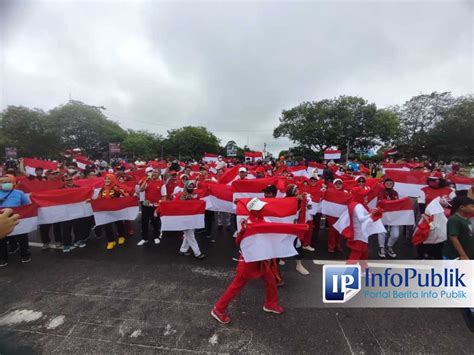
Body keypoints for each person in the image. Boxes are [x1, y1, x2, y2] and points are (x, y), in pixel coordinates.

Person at [211, 198, 283, 324]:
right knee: (237, 285)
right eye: (260, 208)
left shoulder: (265, 219)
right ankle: (218, 308)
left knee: (271, 281)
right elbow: (239, 242)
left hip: (262, 258)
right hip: (250, 260)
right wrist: (243, 231)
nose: (263, 209)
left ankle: (270, 304)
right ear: (254, 211)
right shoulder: (247, 223)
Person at [0, 175, 32, 266]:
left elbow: (27, 205)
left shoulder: (19, 193)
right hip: (2, 218)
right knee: (2, 240)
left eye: (8, 182)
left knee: (22, 237)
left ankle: (25, 254)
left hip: (17, 217)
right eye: (4, 182)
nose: (7, 184)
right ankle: (3, 258)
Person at [97, 174, 128, 250]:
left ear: (113, 180)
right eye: (105, 179)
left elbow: (126, 195)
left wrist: (121, 192)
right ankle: (111, 241)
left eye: (109, 179)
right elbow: (98, 198)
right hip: (106, 210)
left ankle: (121, 236)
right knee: (107, 226)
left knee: (119, 223)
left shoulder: (116, 187)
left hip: (116, 209)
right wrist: (92, 202)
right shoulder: (102, 189)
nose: (106, 180)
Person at [284, 184, 310, 275]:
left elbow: (306, 208)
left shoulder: (300, 200)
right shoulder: (285, 200)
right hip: (285, 227)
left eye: (297, 190)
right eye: (295, 191)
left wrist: (304, 202)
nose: (297, 192)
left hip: (294, 227)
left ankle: (299, 265)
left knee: (297, 245)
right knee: (281, 244)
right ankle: (280, 259)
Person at [176, 181, 205, 259]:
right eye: (189, 186)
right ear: (186, 186)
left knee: (188, 234)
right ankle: (197, 253)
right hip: (184, 218)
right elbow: (178, 205)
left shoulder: (195, 195)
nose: (191, 187)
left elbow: (198, 204)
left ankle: (183, 250)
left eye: (192, 186)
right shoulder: (182, 195)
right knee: (191, 236)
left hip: (193, 217)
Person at [61, 174, 88, 253]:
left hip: (77, 211)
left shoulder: (78, 188)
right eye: (67, 180)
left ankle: (78, 240)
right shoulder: (59, 190)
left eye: (70, 179)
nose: (70, 181)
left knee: (78, 227)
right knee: (66, 229)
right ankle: (66, 244)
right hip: (66, 212)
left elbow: (84, 194)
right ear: (63, 182)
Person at [137, 169, 163, 246]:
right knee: (144, 222)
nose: (154, 173)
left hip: (156, 206)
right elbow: (141, 190)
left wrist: (159, 205)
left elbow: (164, 196)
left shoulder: (162, 183)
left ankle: (156, 237)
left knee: (155, 222)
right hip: (146, 205)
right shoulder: (147, 181)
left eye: (156, 172)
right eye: (153, 172)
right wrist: (146, 180)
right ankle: (144, 238)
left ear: (159, 174)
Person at [377, 178, 400, 258]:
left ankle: (389, 246)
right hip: (384, 214)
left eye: (391, 182)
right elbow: (380, 202)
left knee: (395, 234)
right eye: (387, 183)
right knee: (382, 231)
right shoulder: (381, 192)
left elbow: (397, 203)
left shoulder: (395, 192)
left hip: (393, 215)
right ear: (384, 183)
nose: (389, 184)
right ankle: (381, 247)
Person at [326, 178, 350, 253]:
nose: (338, 185)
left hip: (341, 215)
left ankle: (338, 245)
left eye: (340, 184)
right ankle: (331, 246)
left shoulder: (346, 193)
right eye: (336, 184)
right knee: (332, 231)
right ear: (334, 184)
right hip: (332, 215)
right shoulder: (329, 192)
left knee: (340, 231)